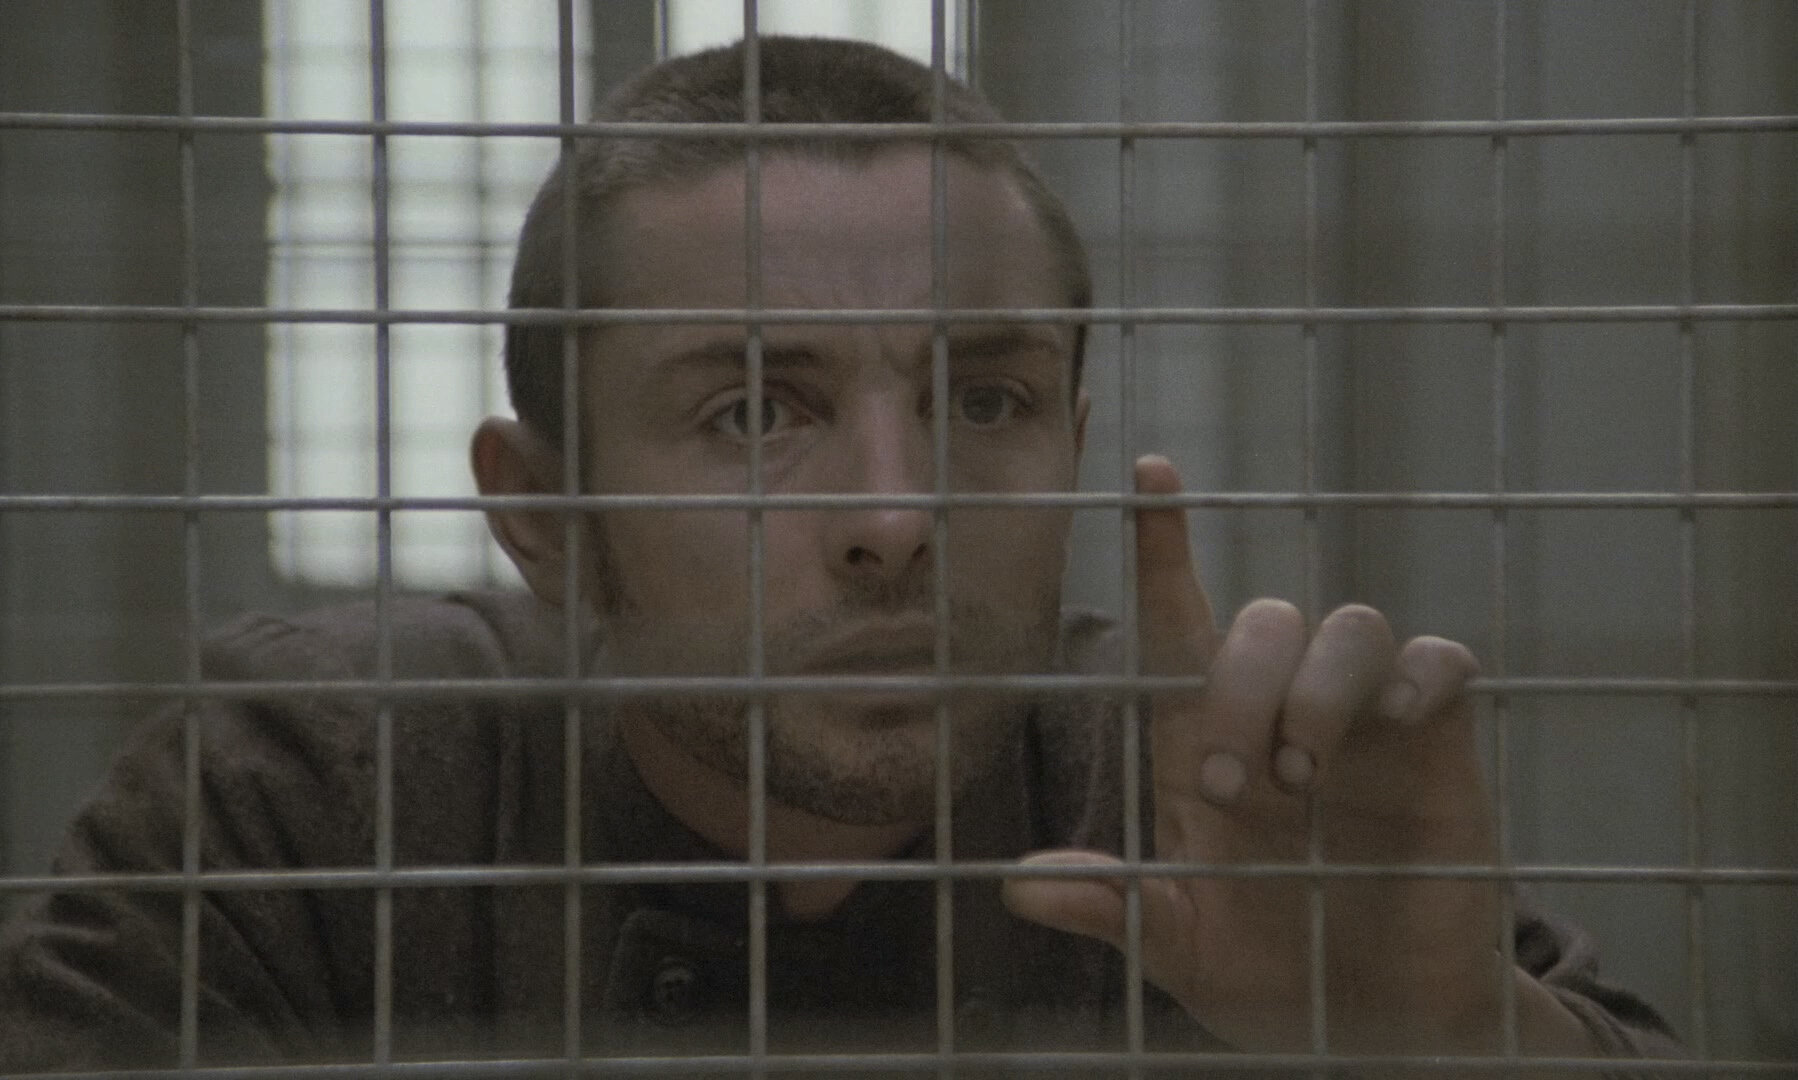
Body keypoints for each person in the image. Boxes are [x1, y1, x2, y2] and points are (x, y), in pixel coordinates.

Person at [0, 36, 1678, 1076]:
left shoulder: (1200, 793)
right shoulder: (319, 793)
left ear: (1076, 441)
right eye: (752, 410)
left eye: (985, 399)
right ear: (541, 515)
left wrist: (1455, 1040)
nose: (896, 517)